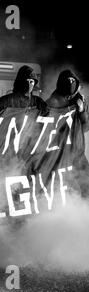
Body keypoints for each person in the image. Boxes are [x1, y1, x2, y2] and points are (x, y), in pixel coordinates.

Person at [46, 69, 89, 197]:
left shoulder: (80, 100)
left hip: (77, 150)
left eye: (73, 81)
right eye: (68, 81)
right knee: (61, 183)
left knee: (86, 179)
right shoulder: (52, 102)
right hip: (60, 152)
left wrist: (81, 110)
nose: (71, 83)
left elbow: (85, 127)